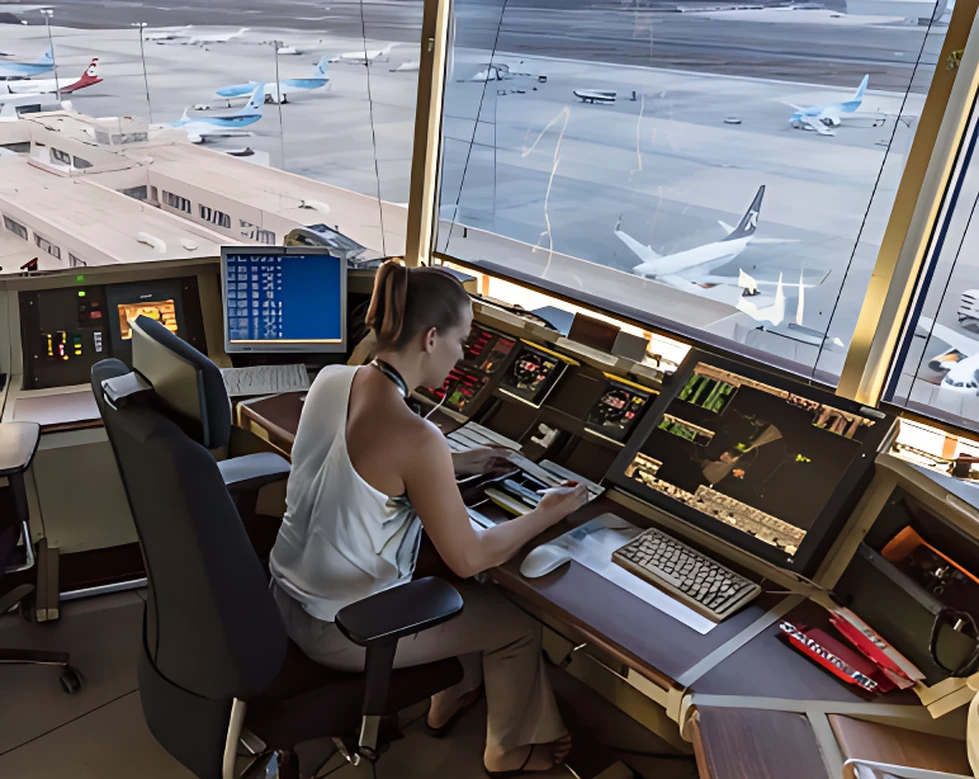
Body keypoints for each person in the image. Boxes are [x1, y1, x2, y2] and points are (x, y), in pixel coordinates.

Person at [269, 259, 588, 777]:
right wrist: (546, 513)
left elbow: (357, 461)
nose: (462, 356)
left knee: (434, 576)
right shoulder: (418, 437)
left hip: (282, 598)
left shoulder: (333, 380)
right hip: (342, 631)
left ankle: (449, 698)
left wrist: (456, 463)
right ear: (431, 338)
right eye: (461, 342)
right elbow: (470, 558)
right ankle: (507, 750)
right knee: (517, 624)